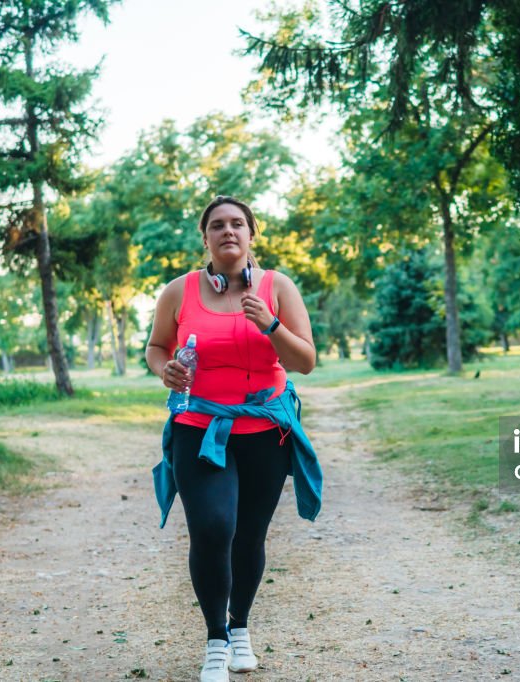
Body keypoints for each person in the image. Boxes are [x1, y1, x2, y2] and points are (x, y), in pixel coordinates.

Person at [145, 195, 318, 681]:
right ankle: (215, 640)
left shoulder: (277, 288)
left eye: (238, 223)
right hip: (200, 430)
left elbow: (304, 360)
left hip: (265, 430)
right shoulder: (178, 292)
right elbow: (156, 347)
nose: (228, 231)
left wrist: (271, 324)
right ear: (205, 237)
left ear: (251, 235)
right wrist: (166, 370)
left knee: (249, 535)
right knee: (213, 528)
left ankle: (239, 626)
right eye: (218, 225)